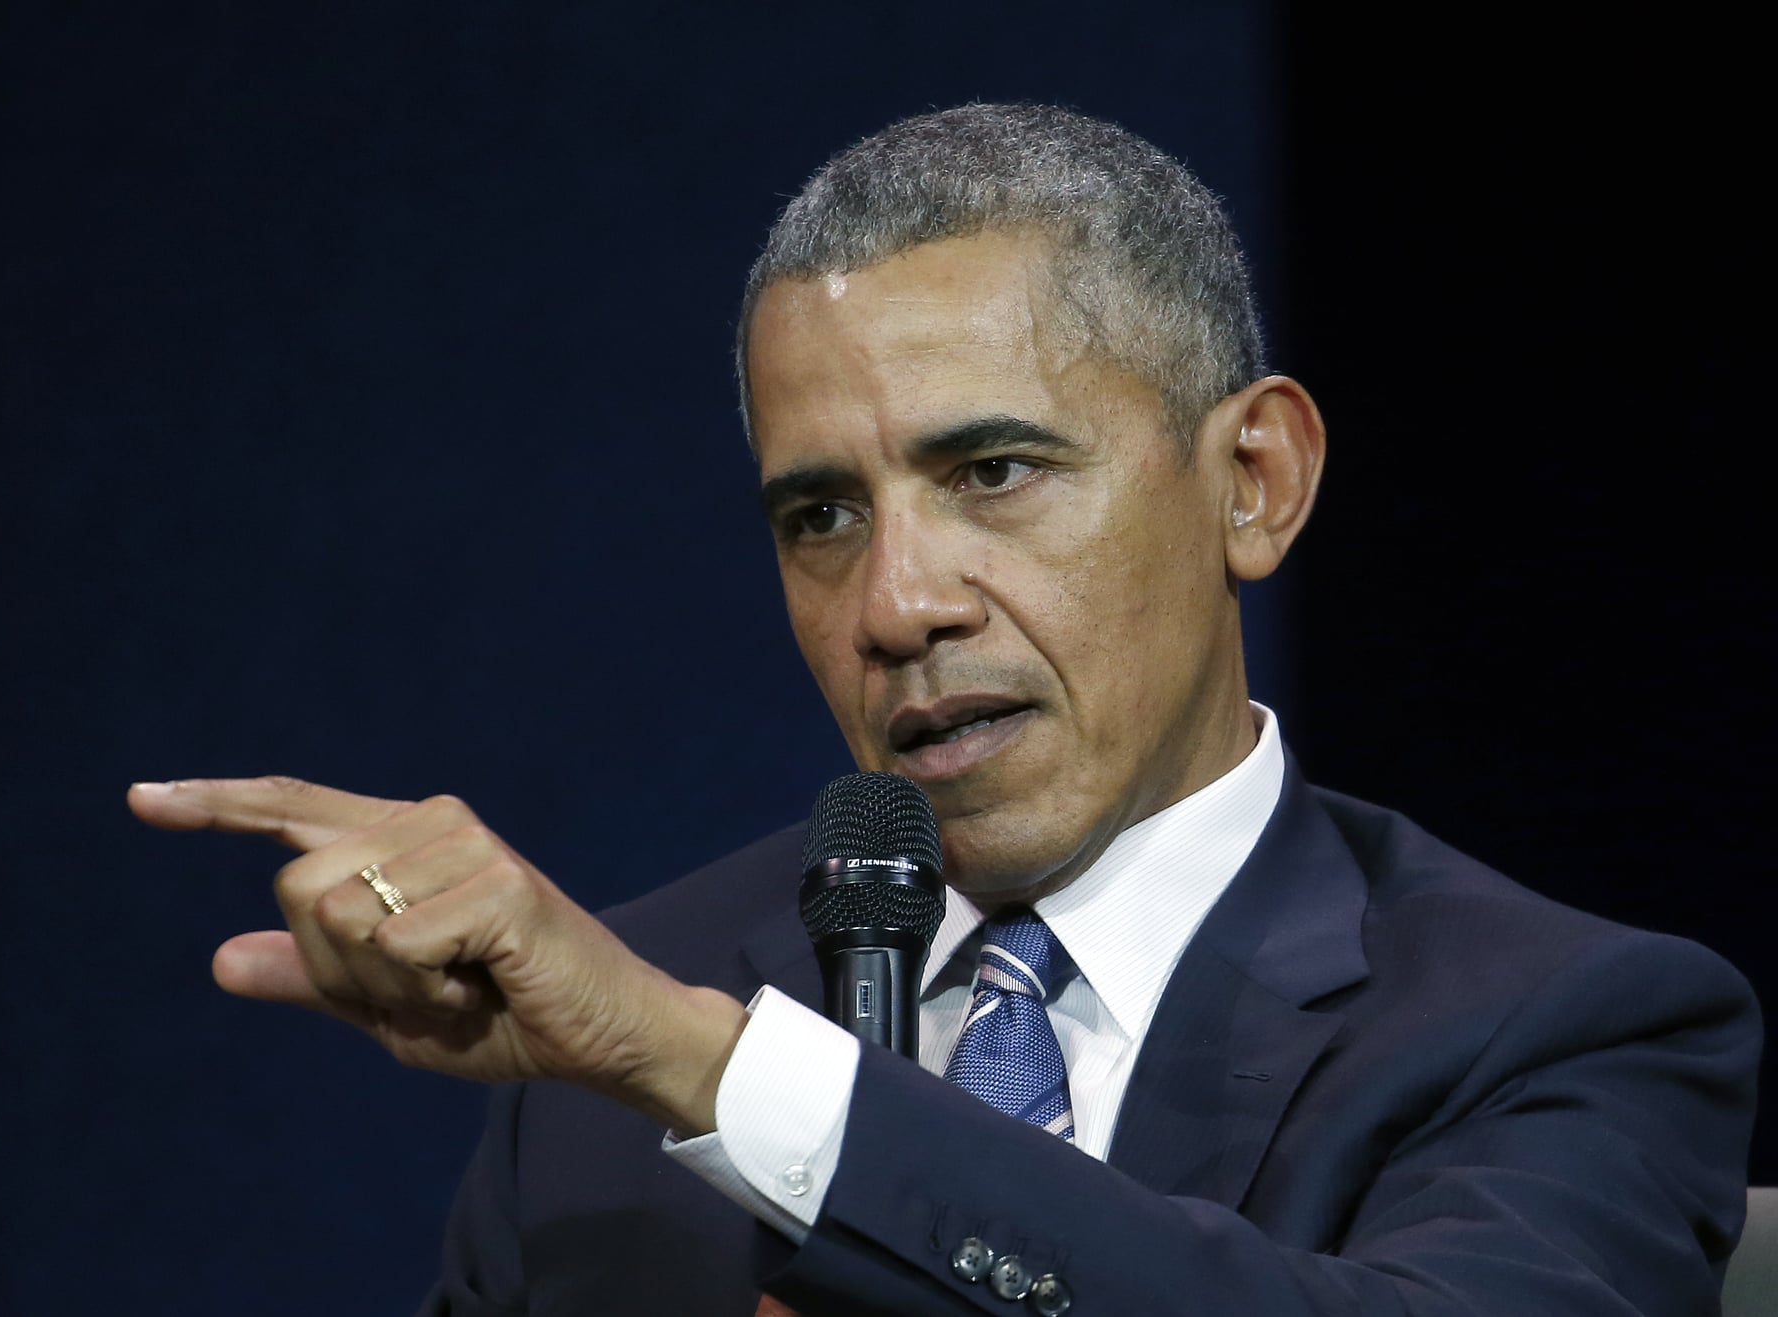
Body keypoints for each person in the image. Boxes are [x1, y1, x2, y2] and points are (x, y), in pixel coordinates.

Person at [128, 105, 1760, 1314]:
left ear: (1252, 482)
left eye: (994, 472)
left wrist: (722, 1077)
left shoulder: (1557, 1026)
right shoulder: (594, 1079)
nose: (897, 604)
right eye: (820, 516)